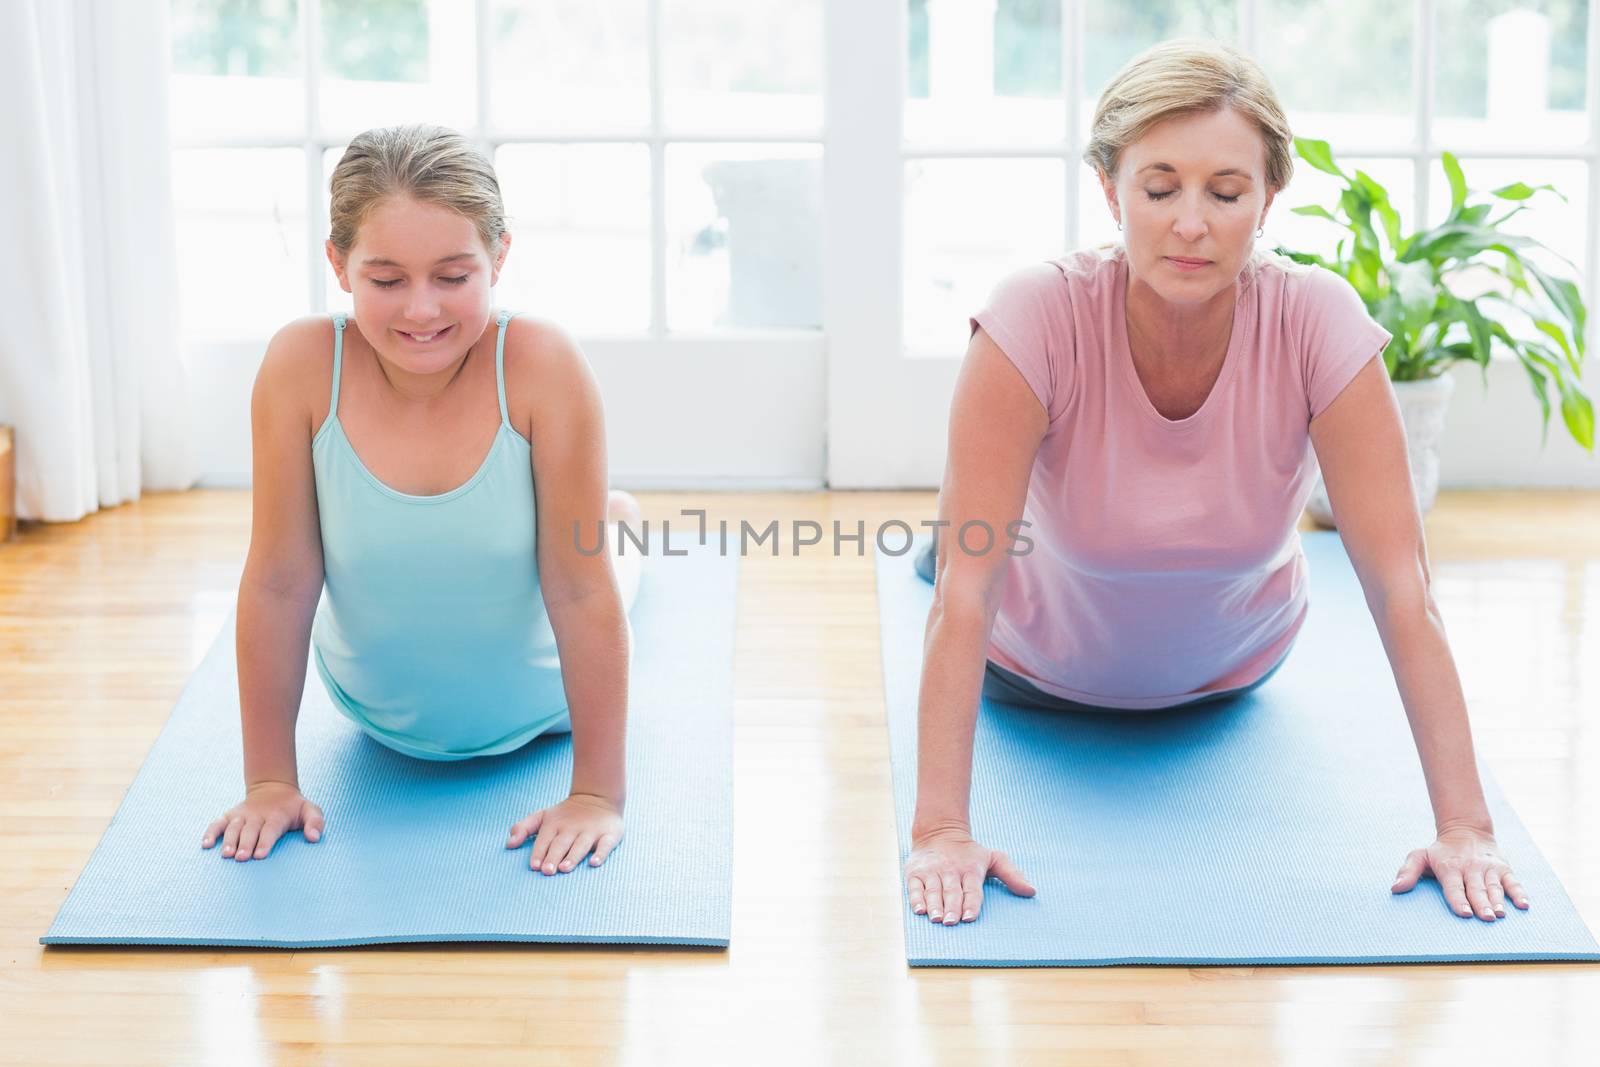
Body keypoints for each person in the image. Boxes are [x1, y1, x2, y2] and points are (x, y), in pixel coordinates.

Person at [902, 40, 1530, 926]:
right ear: (1109, 189)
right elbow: (969, 595)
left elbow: (1401, 584)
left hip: (1232, 666)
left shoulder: (1318, 322)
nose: (1190, 223)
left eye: (1225, 193)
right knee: (954, 554)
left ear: (1269, 197)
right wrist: (939, 829)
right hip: (1035, 668)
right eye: (1159, 189)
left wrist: (1466, 824)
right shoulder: (1032, 317)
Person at [201, 124, 640, 877]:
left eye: (452, 275)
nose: (421, 310)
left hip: (541, 710)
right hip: (379, 718)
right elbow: (278, 578)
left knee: (605, 556)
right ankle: (616, 514)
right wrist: (269, 780)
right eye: (387, 279)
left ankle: (620, 521)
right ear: (338, 264)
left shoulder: (542, 364)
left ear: (498, 257)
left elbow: (578, 589)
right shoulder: (302, 366)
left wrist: (598, 793)